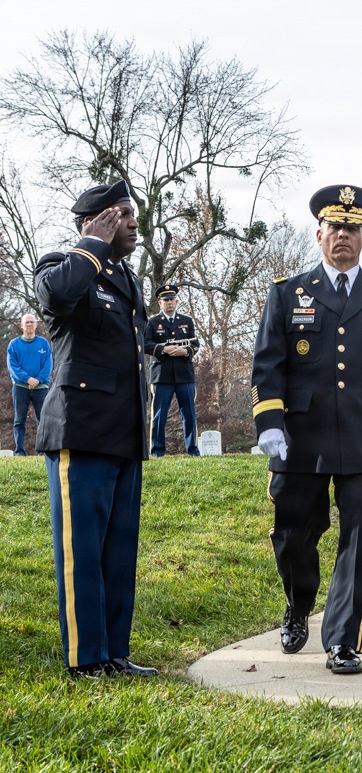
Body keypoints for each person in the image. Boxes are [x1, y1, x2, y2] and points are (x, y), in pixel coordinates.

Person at [251, 185, 362, 675]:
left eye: (353, 228)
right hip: (300, 435)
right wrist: (270, 423)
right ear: (319, 234)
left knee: (360, 538)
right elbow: (268, 364)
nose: (343, 235)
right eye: (335, 227)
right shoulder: (287, 293)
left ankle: (343, 640)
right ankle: (299, 605)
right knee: (293, 534)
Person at [34, 179, 158, 678]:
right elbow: (58, 296)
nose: (133, 223)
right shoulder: (61, 265)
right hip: (81, 431)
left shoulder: (126, 278)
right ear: (95, 221)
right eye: (122, 215)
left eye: (132, 215)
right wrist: (90, 245)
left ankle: (114, 654)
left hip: (125, 433)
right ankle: (86, 658)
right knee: (81, 552)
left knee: (118, 552)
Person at [145, 284, 201, 456]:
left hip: (184, 373)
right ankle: (157, 451)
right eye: (165, 300)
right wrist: (164, 350)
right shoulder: (153, 322)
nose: (169, 303)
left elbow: (195, 344)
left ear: (176, 301)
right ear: (160, 303)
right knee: (159, 415)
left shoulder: (186, 321)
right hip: (162, 374)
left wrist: (185, 351)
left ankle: (192, 450)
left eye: (172, 299)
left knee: (189, 414)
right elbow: (145, 344)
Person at [6, 312, 51, 456]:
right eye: (27, 322)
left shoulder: (44, 343)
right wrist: (27, 379)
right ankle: (19, 451)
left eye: (32, 322)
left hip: (41, 388)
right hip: (20, 388)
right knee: (19, 421)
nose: (30, 325)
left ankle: (43, 452)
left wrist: (37, 379)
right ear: (21, 325)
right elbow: (12, 366)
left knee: (42, 420)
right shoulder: (14, 345)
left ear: (36, 324)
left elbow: (48, 365)